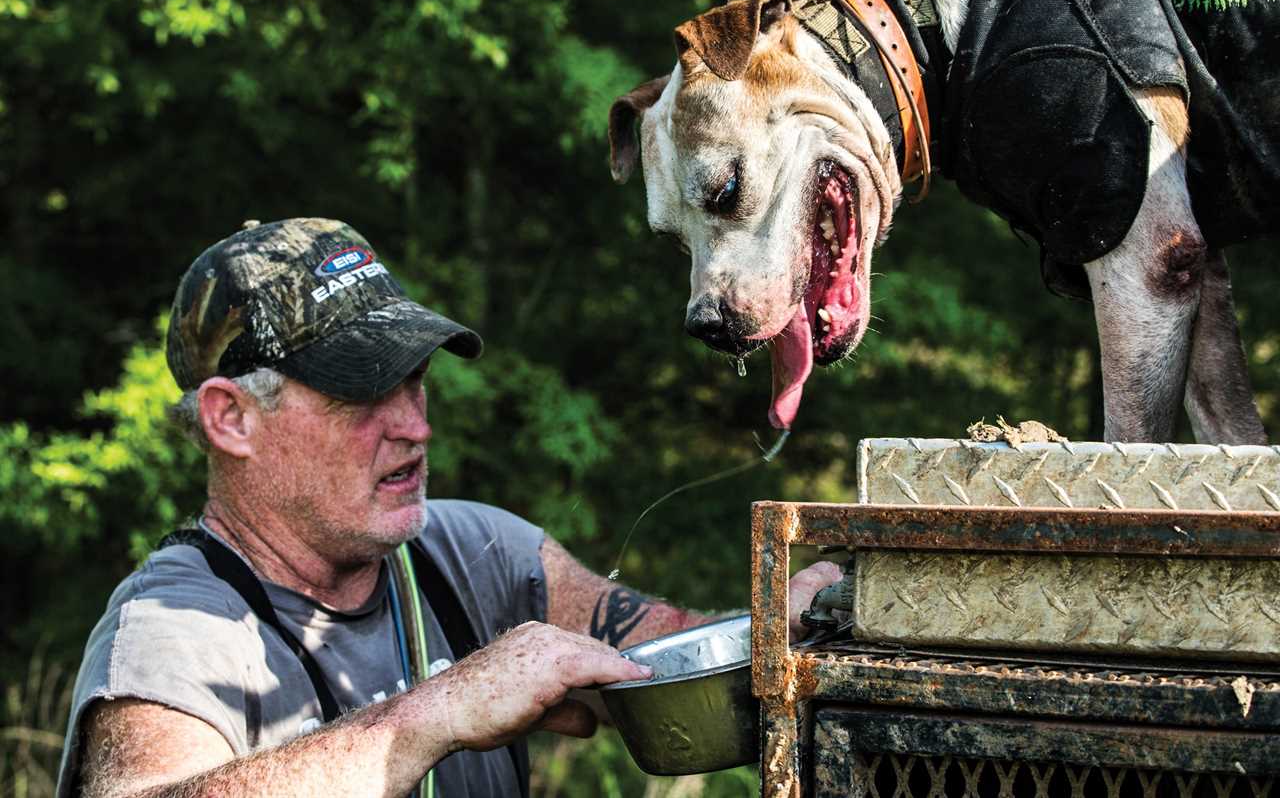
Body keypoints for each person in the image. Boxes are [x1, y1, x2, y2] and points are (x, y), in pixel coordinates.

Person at [57, 217, 840, 798]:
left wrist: (782, 625)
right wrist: (436, 712)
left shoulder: (472, 550)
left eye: (413, 380)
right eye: (360, 390)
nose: (416, 426)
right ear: (232, 419)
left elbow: (663, 657)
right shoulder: (172, 632)